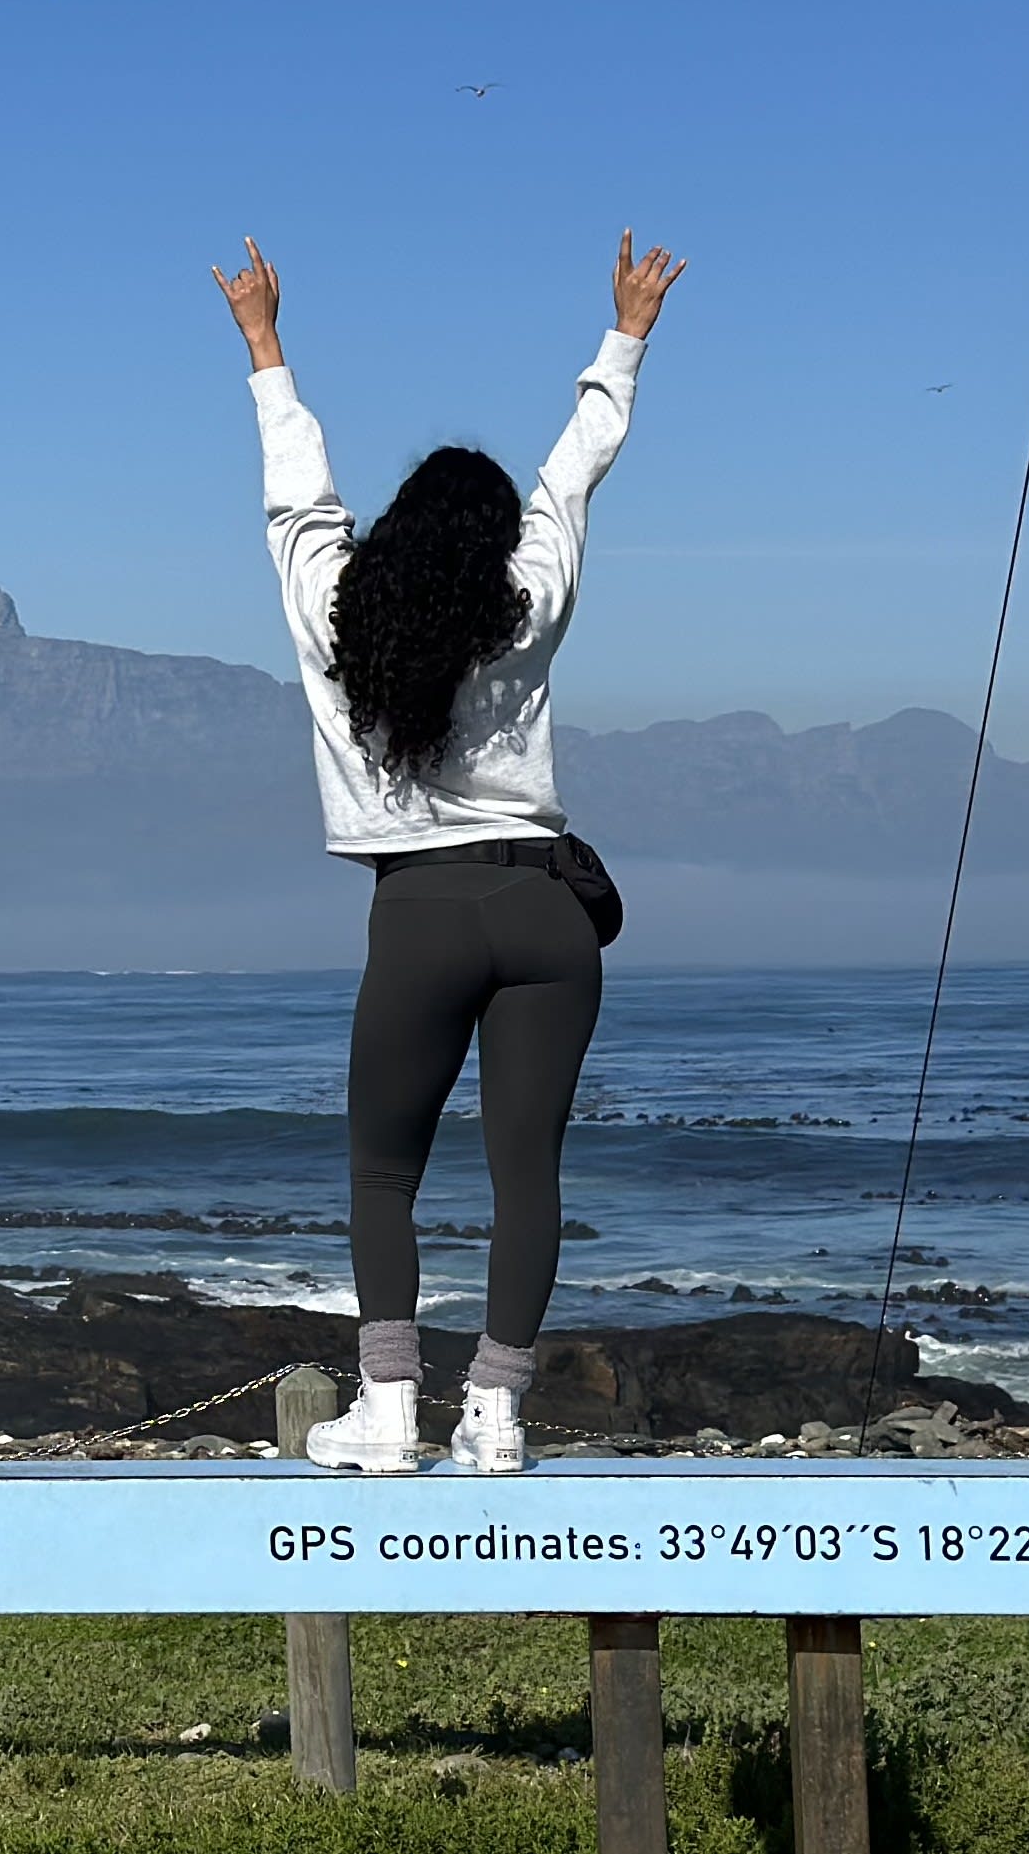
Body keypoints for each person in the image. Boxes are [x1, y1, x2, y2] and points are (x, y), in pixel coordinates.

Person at [212, 230, 685, 1474]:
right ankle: (498, 1413)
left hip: (419, 911)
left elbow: (297, 495)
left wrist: (264, 340)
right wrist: (624, 333)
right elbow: (571, 478)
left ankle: (384, 1410)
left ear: (397, 536)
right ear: (487, 545)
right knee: (527, 1174)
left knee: (384, 1168)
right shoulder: (525, 606)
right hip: (544, 911)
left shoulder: (332, 614)